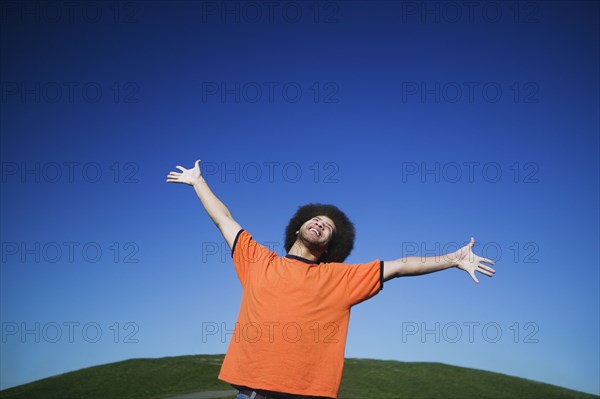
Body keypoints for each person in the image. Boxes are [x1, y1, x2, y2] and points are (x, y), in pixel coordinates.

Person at [166, 160, 496, 399]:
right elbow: (224, 219)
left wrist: (453, 259)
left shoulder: (340, 278)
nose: (321, 224)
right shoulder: (258, 262)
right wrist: (198, 182)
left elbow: (399, 265)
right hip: (251, 393)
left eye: (329, 228)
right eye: (316, 219)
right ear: (298, 228)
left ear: (328, 248)